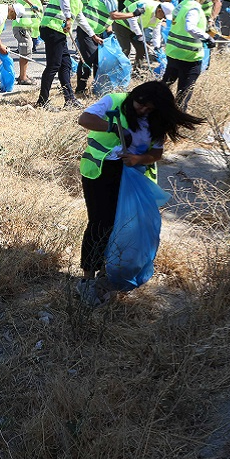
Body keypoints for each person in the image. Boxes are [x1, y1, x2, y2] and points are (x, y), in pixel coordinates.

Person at [75, 81, 202, 302]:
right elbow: (84, 119)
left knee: (122, 225)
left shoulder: (156, 120)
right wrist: (113, 127)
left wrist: (137, 159)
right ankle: (87, 277)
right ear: (134, 95)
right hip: (101, 171)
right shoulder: (115, 101)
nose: (142, 110)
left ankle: (107, 274)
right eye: (140, 104)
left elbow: (156, 153)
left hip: (133, 175)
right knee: (100, 223)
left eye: (149, 108)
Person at [35, 0, 92, 108]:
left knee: (65, 65)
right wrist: (67, 18)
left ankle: (69, 99)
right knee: (54, 65)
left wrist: (92, 35)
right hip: (53, 28)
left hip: (57, 31)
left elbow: (80, 17)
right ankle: (42, 101)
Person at [162, 0, 211, 108]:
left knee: (164, 87)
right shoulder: (194, 9)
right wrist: (206, 37)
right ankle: (178, 119)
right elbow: (190, 27)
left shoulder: (181, 5)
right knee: (183, 95)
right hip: (189, 57)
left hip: (173, 52)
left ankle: (155, 110)